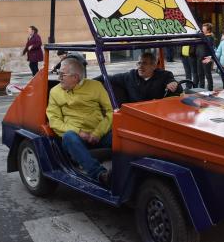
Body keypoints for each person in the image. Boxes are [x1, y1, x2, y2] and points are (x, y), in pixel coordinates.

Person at [46, 57, 112, 186]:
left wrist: (98, 133)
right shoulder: (55, 92)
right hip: (74, 138)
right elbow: (54, 121)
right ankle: (100, 174)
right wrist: (79, 132)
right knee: (69, 137)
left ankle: (134, 167)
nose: (59, 78)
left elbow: (111, 111)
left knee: (122, 135)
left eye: (62, 75)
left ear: (75, 77)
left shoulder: (95, 86)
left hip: (99, 134)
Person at [107, 52, 180, 103]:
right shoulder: (130, 76)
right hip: (135, 114)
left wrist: (173, 83)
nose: (140, 66)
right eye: (139, 63)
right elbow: (108, 78)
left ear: (154, 66)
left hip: (157, 111)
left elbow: (173, 83)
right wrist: (95, 83)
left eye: (144, 63)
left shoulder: (163, 75)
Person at [196, 23, 215, 91]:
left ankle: (210, 89)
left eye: (204, 28)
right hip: (199, 57)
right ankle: (201, 88)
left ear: (208, 30)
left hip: (206, 58)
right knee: (200, 74)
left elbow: (208, 43)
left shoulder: (210, 37)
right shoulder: (202, 36)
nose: (202, 29)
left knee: (208, 74)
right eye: (202, 28)